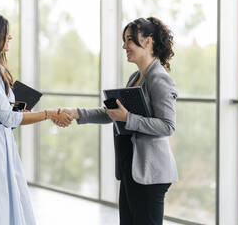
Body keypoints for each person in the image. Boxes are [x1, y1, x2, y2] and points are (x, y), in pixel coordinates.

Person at [60, 17, 178, 225]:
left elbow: (167, 126)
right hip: (131, 167)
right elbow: (112, 113)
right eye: (124, 40)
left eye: (130, 40)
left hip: (150, 173)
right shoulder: (135, 77)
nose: (125, 46)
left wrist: (128, 118)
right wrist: (76, 112)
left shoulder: (159, 79)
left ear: (148, 42)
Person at [0, 12, 72, 225]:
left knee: (0, 199)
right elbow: (7, 117)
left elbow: (4, 112)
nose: (10, 37)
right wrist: (48, 114)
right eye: (5, 33)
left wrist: (19, 113)